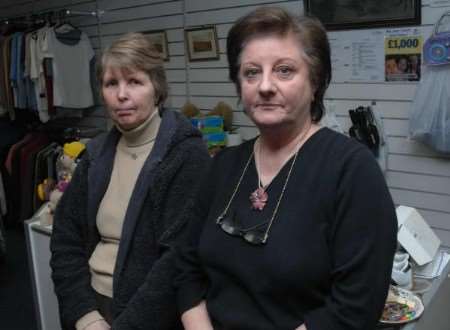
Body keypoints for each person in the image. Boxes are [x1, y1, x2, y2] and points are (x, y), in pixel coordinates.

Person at [175, 7, 397, 330]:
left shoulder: (352, 172)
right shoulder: (223, 166)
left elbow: (356, 306)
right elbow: (185, 266)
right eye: (251, 72)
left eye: (284, 71)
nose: (265, 86)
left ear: (315, 80)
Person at [50, 32, 210, 330]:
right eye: (111, 83)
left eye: (134, 82)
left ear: (157, 89)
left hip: (150, 317)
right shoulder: (96, 155)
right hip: (92, 309)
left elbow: (176, 261)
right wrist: (86, 317)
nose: (121, 94)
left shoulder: (187, 154)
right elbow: (65, 238)